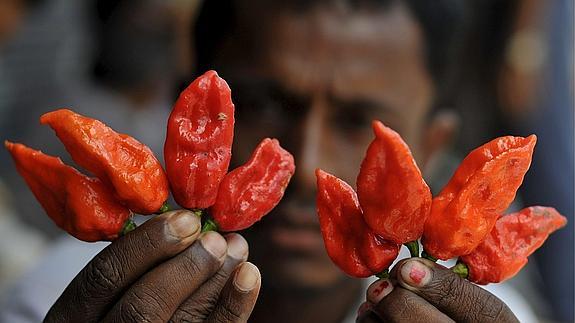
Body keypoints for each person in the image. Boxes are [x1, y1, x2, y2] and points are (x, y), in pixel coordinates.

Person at [1, 0, 535, 322]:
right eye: (260, 105)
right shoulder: (63, 302)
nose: (305, 168)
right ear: (185, 104)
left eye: (360, 126)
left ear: (434, 144)